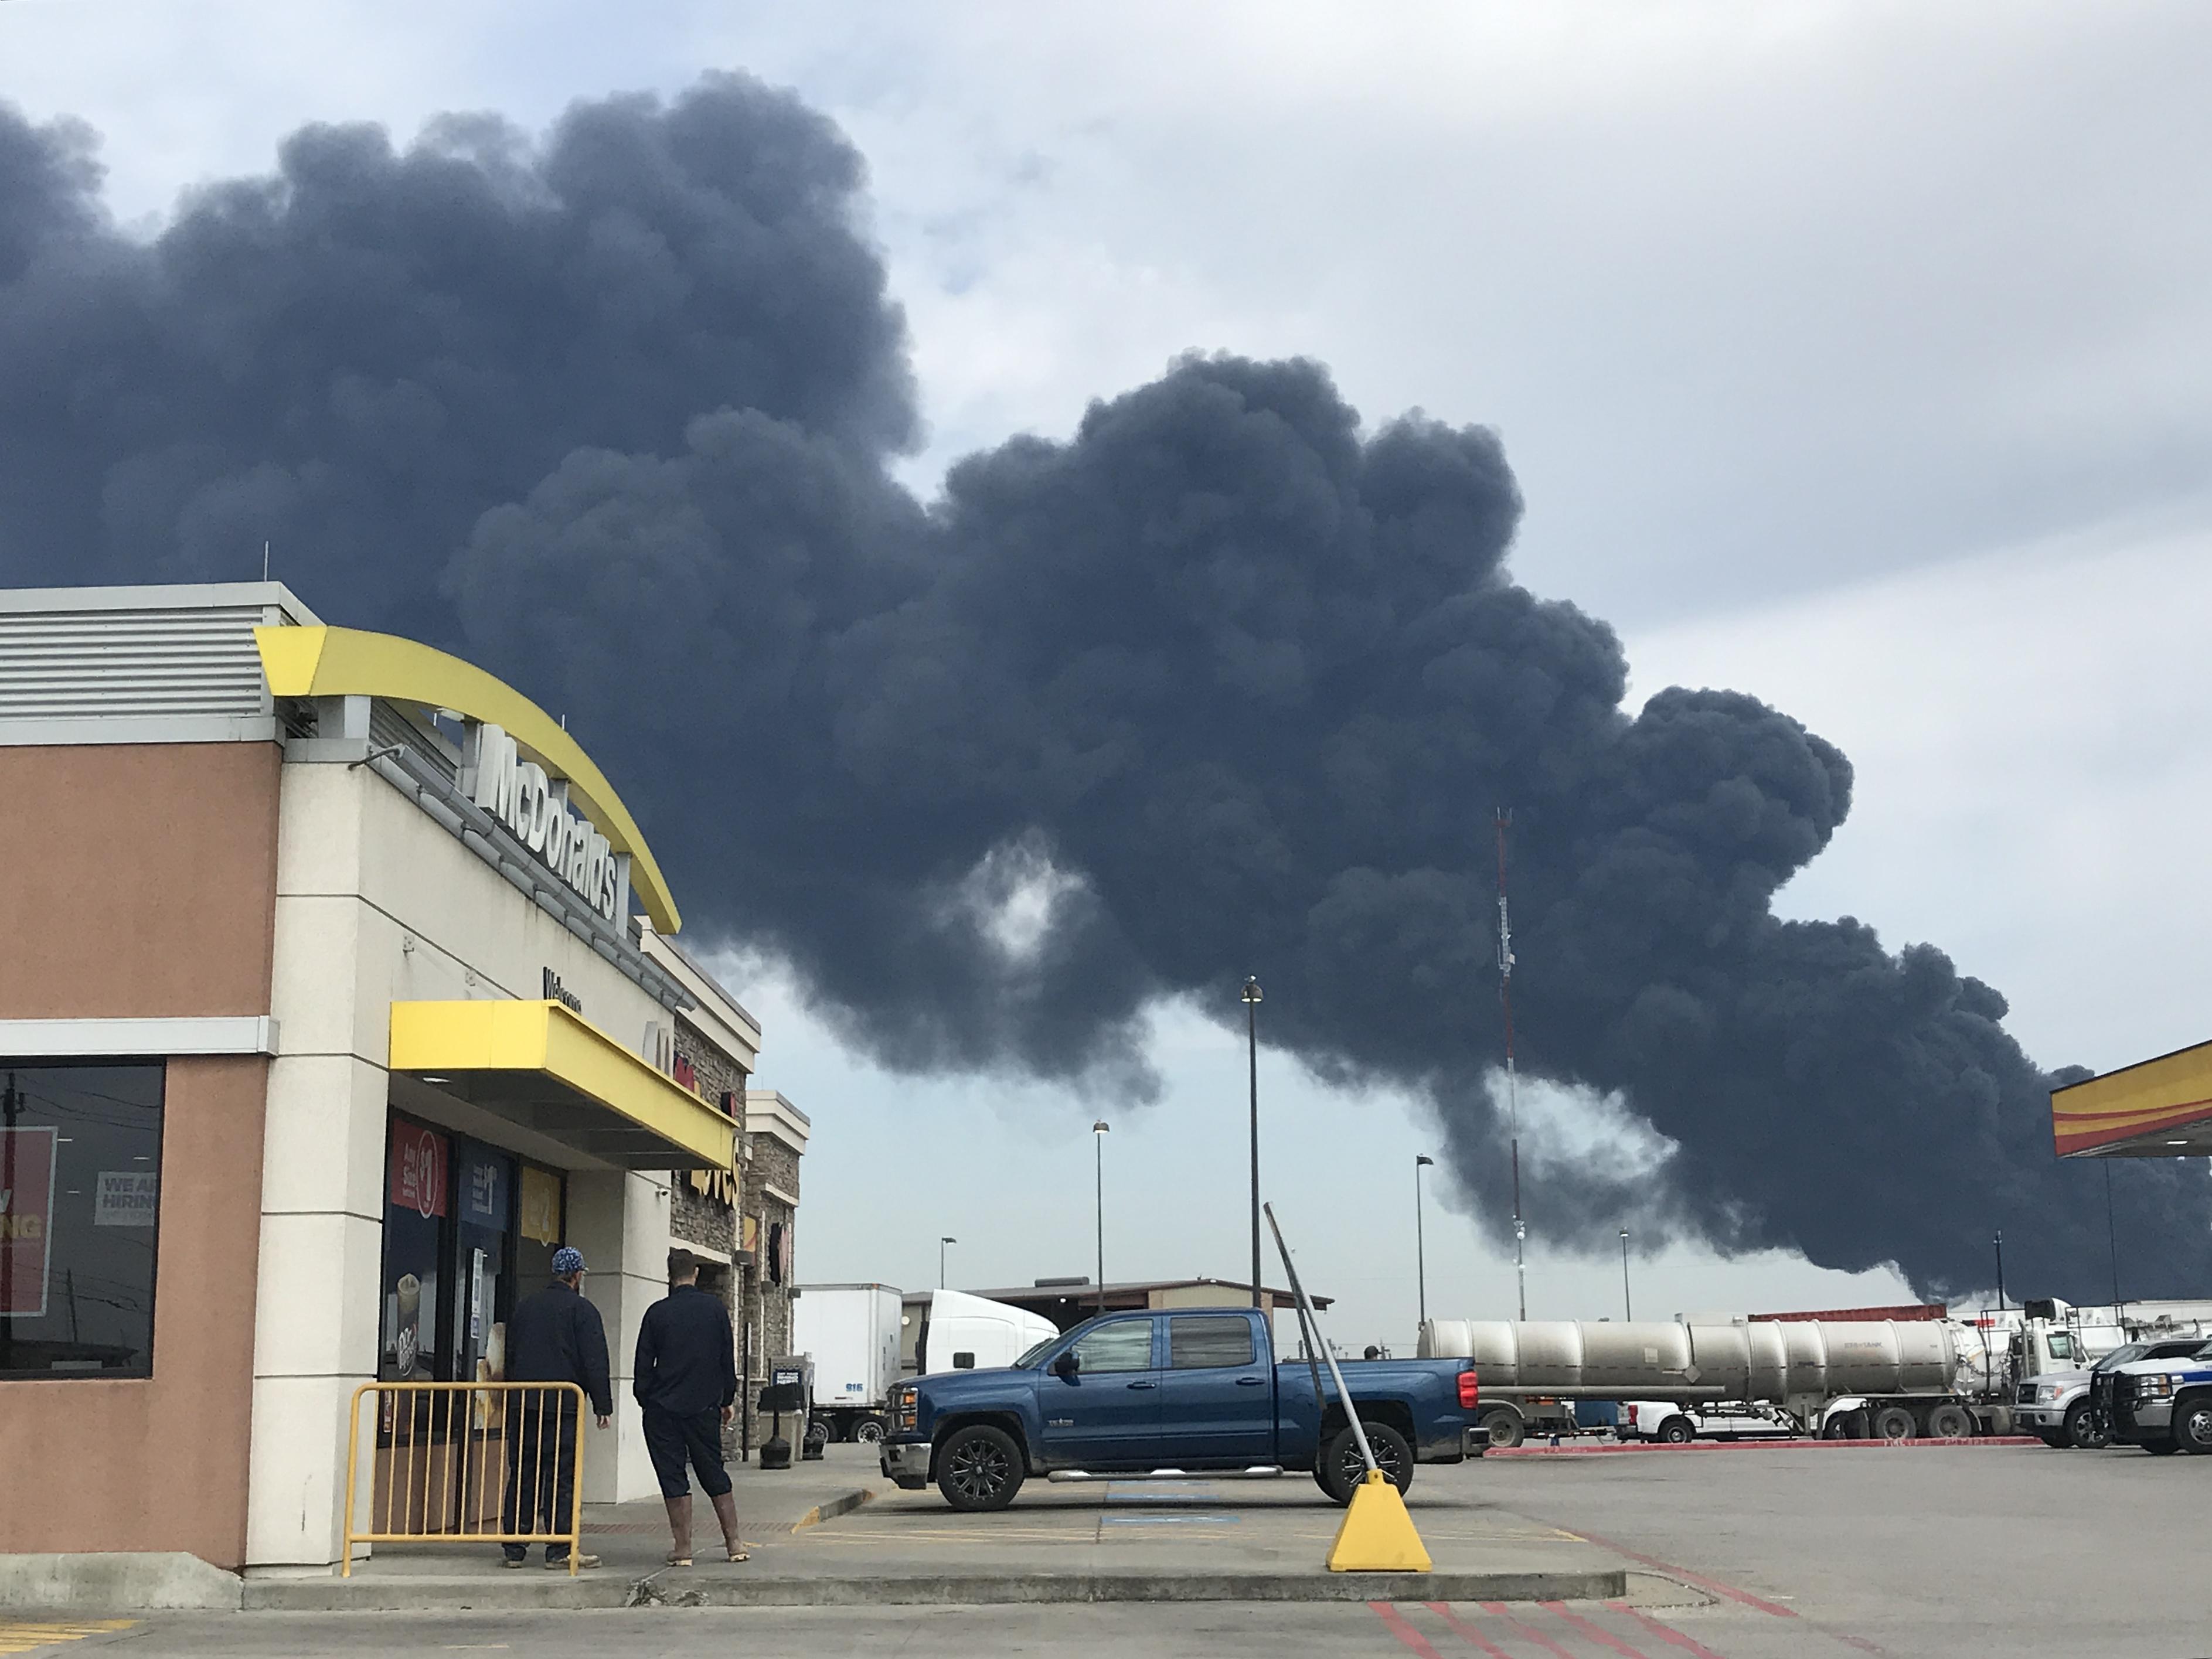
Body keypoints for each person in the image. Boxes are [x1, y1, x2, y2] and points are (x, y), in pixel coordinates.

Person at [499, 1245, 612, 1570]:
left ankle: (514, 1548)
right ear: (577, 1276)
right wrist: (602, 1404)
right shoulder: (582, 1310)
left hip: (525, 1404)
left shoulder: (525, 1307)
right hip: (564, 1406)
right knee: (562, 1476)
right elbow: (594, 1359)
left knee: (522, 1472)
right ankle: (559, 1548)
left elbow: (511, 1354)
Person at [634, 1248, 746, 1566]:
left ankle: (683, 1549)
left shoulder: (656, 1313)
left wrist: (646, 1399)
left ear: (670, 1276)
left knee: (672, 1474)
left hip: (663, 1409)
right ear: (695, 1273)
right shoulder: (714, 1310)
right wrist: (726, 1400)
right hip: (703, 1406)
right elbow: (727, 1360)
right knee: (712, 1469)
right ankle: (734, 1543)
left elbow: (643, 1364)